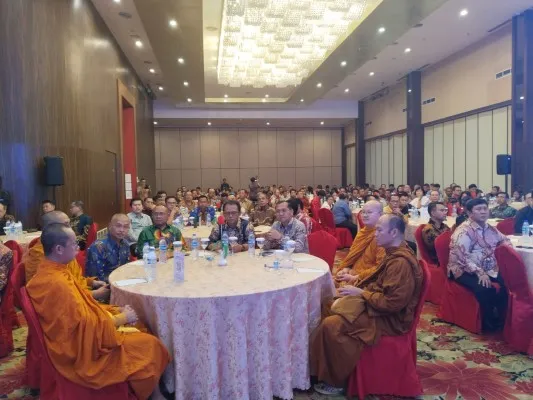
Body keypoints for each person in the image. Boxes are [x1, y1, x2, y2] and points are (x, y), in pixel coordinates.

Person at [26, 223, 170, 399]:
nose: (79, 248)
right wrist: (121, 318)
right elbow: (84, 327)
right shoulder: (57, 283)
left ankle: (150, 390)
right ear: (58, 248)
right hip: (82, 354)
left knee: (139, 325)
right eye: (74, 244)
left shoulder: (53, 270)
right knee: (151, 344)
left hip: (85, 333)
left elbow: (82, 307)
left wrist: (114, 310)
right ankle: (153, 394)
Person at [310, 215, 422, 395]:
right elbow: (378, 277)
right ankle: (320, 368)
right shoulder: (393, 251)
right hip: (377, 305)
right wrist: (356, 279)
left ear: (393, 232)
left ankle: (336, 380)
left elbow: (393, 304)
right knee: (327, 304)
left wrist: (361, 293)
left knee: (331, 325)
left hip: (390, 318)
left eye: (379, 230)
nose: (374, 234)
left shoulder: (400, 263)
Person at [448, 198, 510, 332]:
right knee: (485, 288)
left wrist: (504, 247)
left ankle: (503, 321)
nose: (483, 212)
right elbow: (461, 257)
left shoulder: (490, 228)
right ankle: (488, 325)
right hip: (462, 269)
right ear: (470, 213)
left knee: (508, 283)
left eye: (485, 208)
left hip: (489, 267)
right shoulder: (463, 231)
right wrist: (479, 272)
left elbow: (505, 240)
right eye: (478, 209)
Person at [24, 211, 109, 301]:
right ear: (52, 228)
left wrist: (91, 282)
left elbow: (74, 279)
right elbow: (58, 296)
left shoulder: (63, 251)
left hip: (79, 293)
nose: (71, 228)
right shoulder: (43, 256)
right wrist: (95, 294)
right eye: (66, 225)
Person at [334, 200, 385, 283]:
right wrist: (346, 268)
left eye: (369, 212)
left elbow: (380, 268)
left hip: (367, 280)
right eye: (363, 212)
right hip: (352, 272)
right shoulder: (362, 233)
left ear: (381, 214)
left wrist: (356, 277)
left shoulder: (383, 237)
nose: (365, 215)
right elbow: (353, 256)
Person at [86, 214, 131, 282]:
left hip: (122, 282)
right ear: (110, 226)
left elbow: (126, 268)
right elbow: (96, 278)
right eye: (118, 226)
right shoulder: (98, 247)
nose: (122, 230)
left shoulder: (125, 244)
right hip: (104, 287)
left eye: (125, 227)